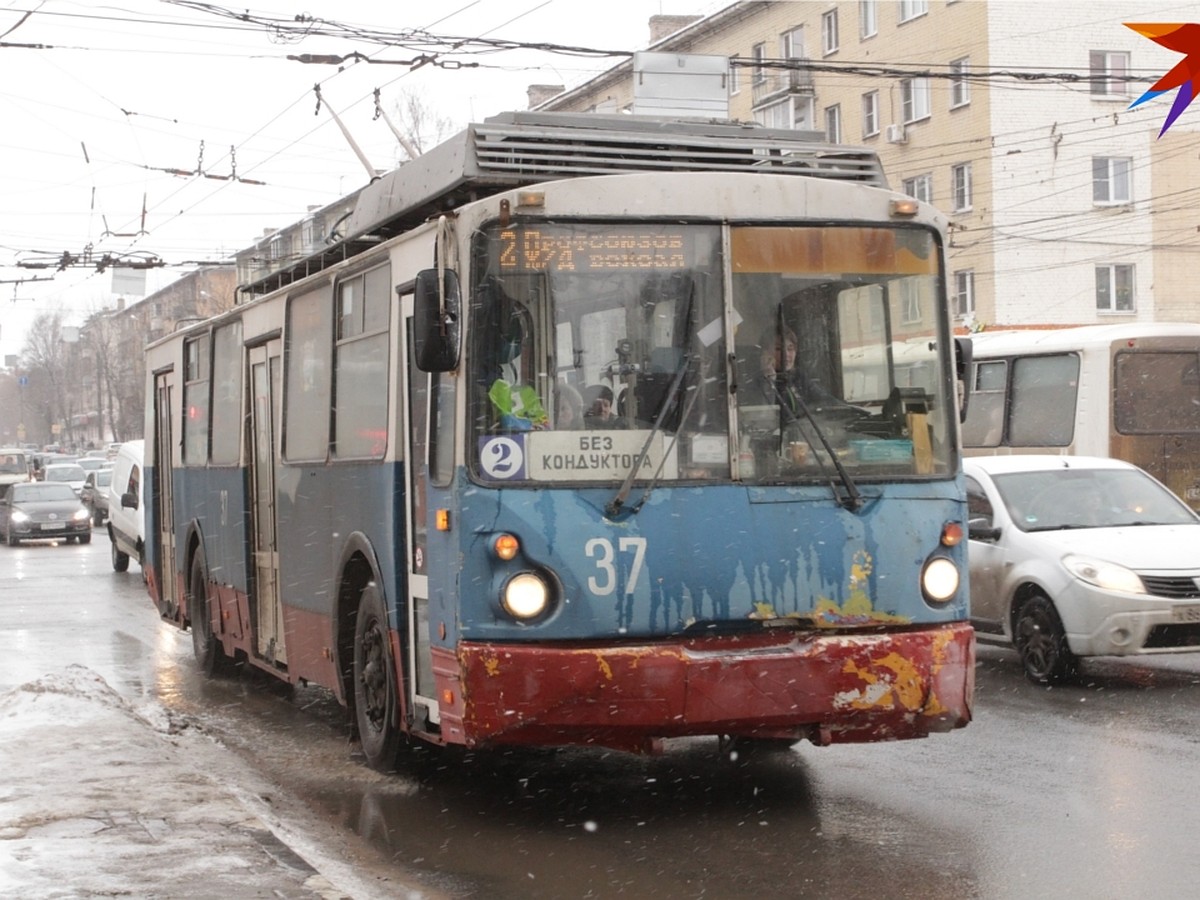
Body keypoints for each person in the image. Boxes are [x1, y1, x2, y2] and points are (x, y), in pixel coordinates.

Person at [754, 325, 842, 419]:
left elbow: (826, 400)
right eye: (778, 349)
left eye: (790, 349)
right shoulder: (757, 381)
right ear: (765, 353)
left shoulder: (799, 377)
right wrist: (769, 379)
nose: (786, 354)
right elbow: (764, 415)